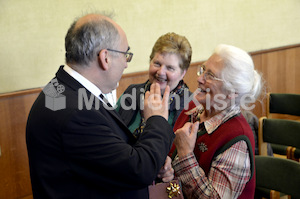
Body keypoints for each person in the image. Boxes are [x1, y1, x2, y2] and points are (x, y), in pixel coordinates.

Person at [26, 13, 175, 199]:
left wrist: (155, 156)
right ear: (105, 58)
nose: (126, 65)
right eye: (125, 55)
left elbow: (108, 153)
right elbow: (138, 170)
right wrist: (157, 119)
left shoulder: (63, 89)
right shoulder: (75, 114)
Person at [169, 44, 262, 198]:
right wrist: (166, 166)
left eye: (210, 75)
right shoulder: (193, 108)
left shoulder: (237, 137)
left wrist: (185, 155)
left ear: (232, 92)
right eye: (203, 70)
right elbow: (170, 153)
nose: (199, 79)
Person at [116, 32, 192, 138]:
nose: (161, 72)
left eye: (170, 68)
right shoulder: (131, 93)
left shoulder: (192, 107)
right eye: (157, 64)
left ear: (183, 73)